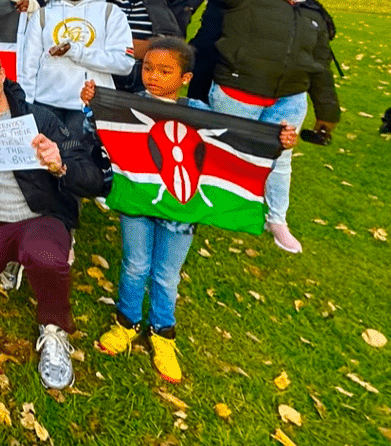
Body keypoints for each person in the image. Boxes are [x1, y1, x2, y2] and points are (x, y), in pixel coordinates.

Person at [82, 38, 298, 382]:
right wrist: (93, 106)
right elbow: (97, 134)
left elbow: (239, 140)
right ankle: (126, 322)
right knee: (136, 264)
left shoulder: (201, 112)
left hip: (182, 209)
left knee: (167, 274)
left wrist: (277, 139)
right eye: (148, 68)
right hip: (138, 200)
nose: (153, 76)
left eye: (164, 71)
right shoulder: (129, 104)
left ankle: (163, 333)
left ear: (185, 78)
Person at [0, 47, 107, 390]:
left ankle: (54, 329)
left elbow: (93, 177)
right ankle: (8, 261)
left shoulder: (40, 118)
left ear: (2, 74)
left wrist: (60, 164)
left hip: (38, 217)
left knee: (45, 257)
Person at [197, 0, 339, 254]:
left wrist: (327, 112)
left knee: (280, 160)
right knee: (225, 151)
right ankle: (214, 203)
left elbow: (320, 66)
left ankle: (277, 219)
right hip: (238, 95)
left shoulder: (311, 14)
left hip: (288, 100)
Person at [17, 0, 135, 138]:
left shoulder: (110, 12)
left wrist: (76, 51)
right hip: (46, 105)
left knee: (82, 163)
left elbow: (124, 63)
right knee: (48, 162)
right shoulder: (43, 15)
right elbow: (28, 68)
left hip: (90, 105)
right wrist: (26, 105)